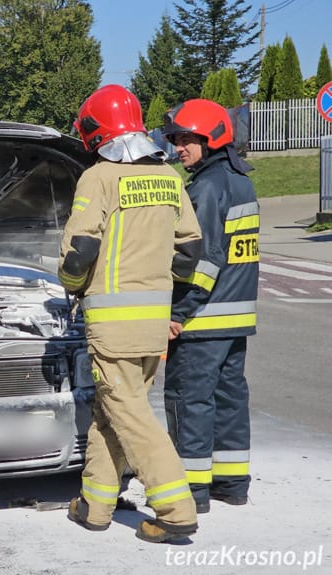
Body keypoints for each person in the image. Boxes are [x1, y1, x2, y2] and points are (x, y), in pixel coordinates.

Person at [59, 84, 202, 543]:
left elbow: (80, 252)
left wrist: (71, 286)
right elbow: (189, 251)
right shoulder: (169, 177)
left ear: (93, 130)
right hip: (153, 322)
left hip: (112, 326)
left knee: (132, 416)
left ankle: (175, 509)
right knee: (114, 410)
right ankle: (95, 505)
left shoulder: (99, 177)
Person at [161, 99, 259, 514]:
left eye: (188, 140)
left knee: (189, 402)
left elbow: (204, 260)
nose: (179, 148)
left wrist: (178, 313)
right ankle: (232, 483)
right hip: (236, 318)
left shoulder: (206, 188)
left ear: (212, 139)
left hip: (203, 320)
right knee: (229, 400)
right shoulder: (240, 182)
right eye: (176, 140)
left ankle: (192, 491)